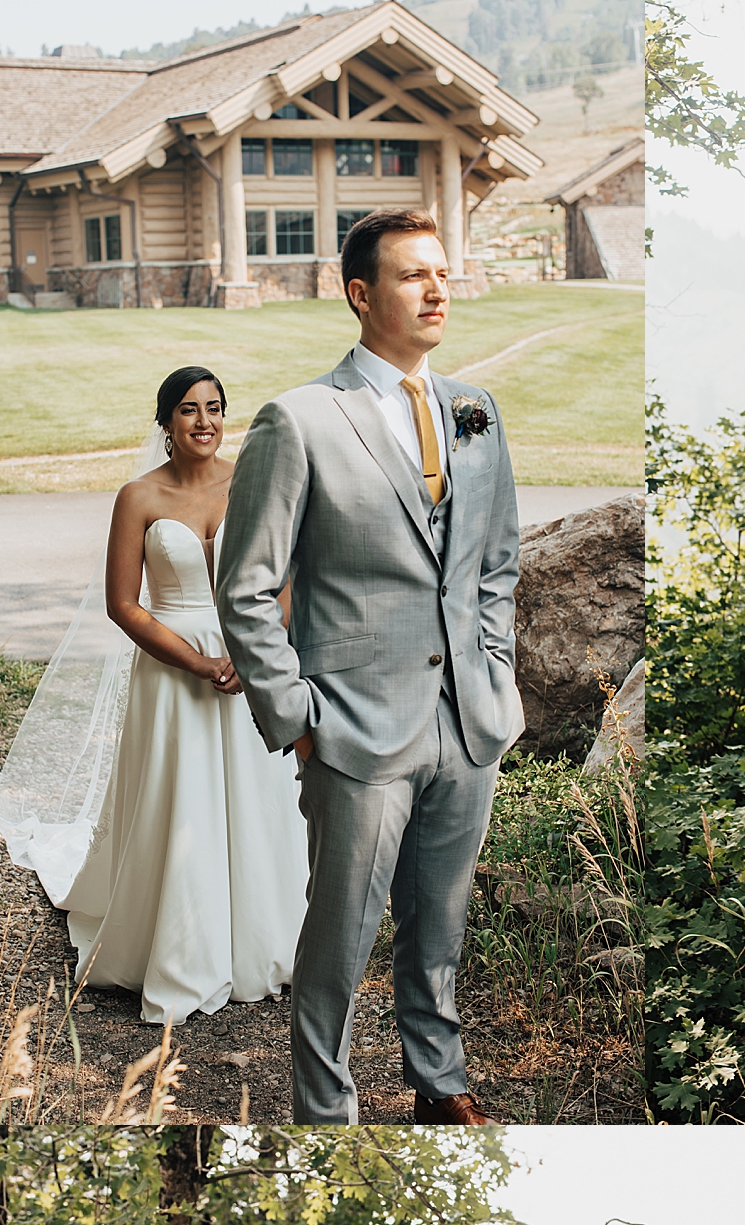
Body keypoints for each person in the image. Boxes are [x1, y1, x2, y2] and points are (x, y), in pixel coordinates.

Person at [217, 207, 525, 1128]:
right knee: (340, 935)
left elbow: (497, 559)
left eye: (443, 273)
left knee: (439, 925)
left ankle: (439, 1086)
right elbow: (246, 586)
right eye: (412, 276)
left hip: (467, 721)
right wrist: (298, 716)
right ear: (360, 294)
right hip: (352, 725)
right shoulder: (301, 420)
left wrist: (495, 670)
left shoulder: (476, 409)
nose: (438, 290)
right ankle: (326, 1110)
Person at [0, 367, 307, 1026]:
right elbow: (122, 605)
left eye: (216, 409)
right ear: (166, 422)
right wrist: (197, 662)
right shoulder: (138, 496)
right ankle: (179, 947)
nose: (206, 422)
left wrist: (254, 656)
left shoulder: (252, 483)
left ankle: (261, 940)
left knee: (255, 800)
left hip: (248, 662)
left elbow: (281, 581)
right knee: (181, 798)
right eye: (190, 410)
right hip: (171, 673)